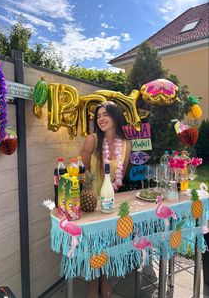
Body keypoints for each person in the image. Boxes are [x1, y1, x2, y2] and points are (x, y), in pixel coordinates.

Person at [81, 101, 131, 298]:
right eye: (98, 116)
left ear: (115, 117)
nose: (101, 119)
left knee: (107, 244)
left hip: (112, 201)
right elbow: (82, 171)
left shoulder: (126, 144)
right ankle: (96, 284)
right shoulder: (92, 140)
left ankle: (103, 280)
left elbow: (122, 175)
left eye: (105, 114)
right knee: (95, 245)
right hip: (92, 202)